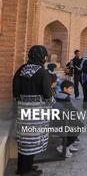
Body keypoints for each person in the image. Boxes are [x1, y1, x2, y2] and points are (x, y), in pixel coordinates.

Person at [13, 45, 52, 176]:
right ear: (42, 57)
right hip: (36, 111)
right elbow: (47, 93)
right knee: (33, 139)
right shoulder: (42, 72)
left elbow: (15, 91)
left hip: (22, 109)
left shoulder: (21, 70)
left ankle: (22, 167)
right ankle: (26, 170)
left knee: (25, 139)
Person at [53, 80, 84, 157]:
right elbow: (72, 109)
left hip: (59, 119)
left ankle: (68, 144)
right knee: (80, 126)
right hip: (62, 121)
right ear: (65, 89)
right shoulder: (65, 97)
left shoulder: (58, 95)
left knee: (77, 125)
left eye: (72, 88)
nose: (72, 90)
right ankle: (64, 146)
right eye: (70, 88)